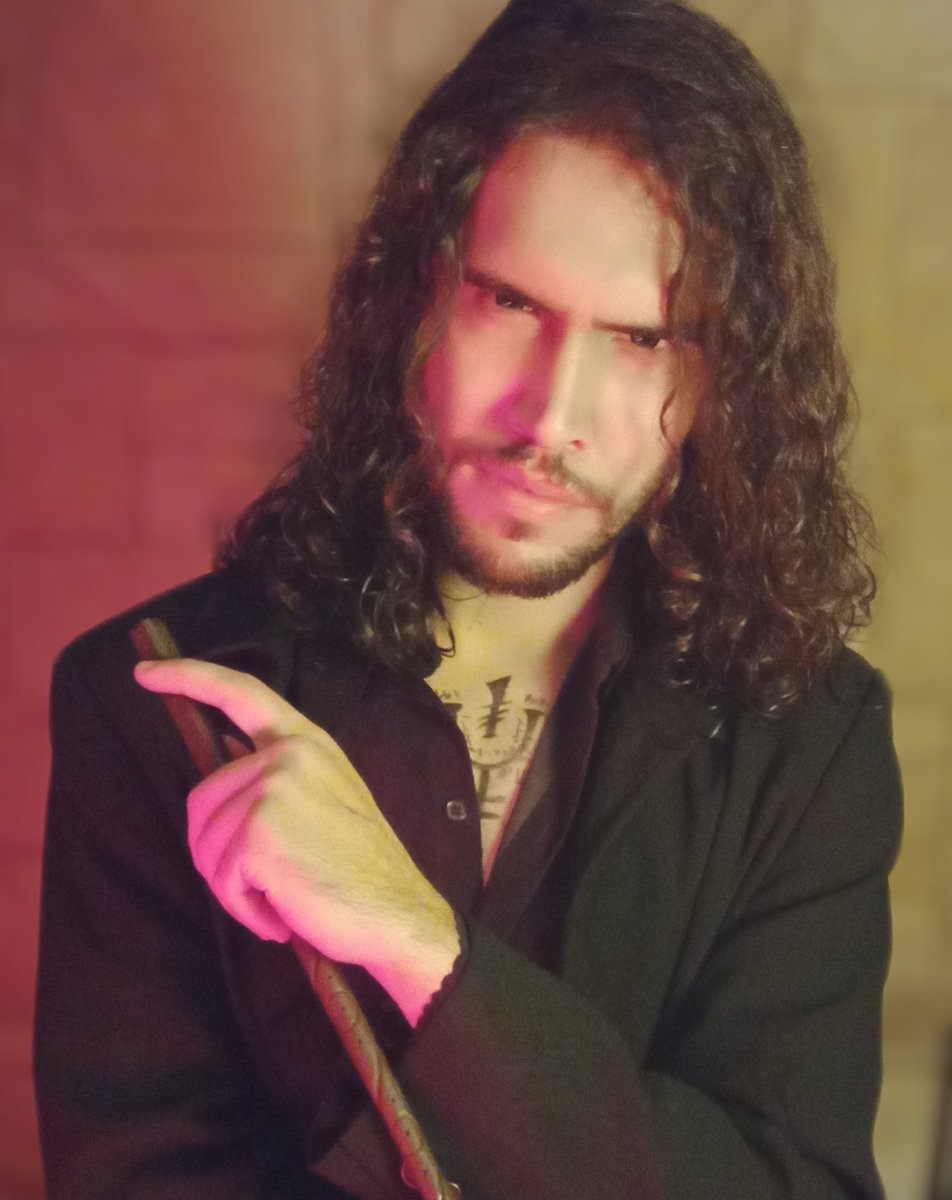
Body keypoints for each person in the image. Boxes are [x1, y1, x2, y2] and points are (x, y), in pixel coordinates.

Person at [34, 1, 902, 1197]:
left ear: (723, 385)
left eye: (642, 340)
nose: (550, 417)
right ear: (418, 295)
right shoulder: (157, 702)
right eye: (510, 302)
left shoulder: (809, 744)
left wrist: (419, 943)